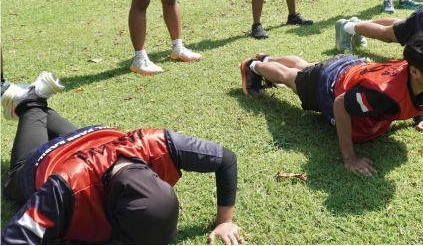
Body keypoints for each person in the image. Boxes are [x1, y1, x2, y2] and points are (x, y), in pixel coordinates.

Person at [0, 73, 243, 245]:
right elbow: (15, 236)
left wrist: (224, 222)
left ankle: (37, 101)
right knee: (13, 182)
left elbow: (226, 160)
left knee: (65, 136)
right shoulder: (62, 190)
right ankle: (31, 101)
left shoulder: (157, 144)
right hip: (50, 162)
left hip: (92, 138)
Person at [239, 32, 423, 177]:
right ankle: (253, 65)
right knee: (290, 77)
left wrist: (420, 118)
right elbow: (341, 104)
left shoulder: (418, 69)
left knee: (304, 68)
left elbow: (412, 94)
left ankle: (267, 59)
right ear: (415, 71)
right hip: (329, 82)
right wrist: (349, 157)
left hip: (351, 68)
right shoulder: (382, 94)